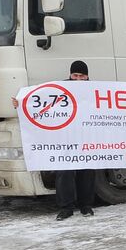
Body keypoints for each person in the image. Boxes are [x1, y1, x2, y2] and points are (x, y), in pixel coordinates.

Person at [49, 60, 97, 220]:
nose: (78, 79)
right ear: (70, 75)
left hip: (87, 136)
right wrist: (20, 103)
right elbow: (40, 104)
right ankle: (66, 207)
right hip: (66, 137)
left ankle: (86, 205)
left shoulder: (96, 90)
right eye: (75, 75)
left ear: (87, 76)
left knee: (87, 172)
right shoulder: (59, 90)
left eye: (81, 76)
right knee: (64, 172)